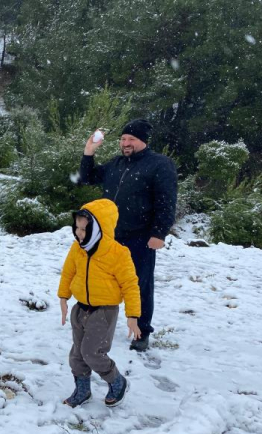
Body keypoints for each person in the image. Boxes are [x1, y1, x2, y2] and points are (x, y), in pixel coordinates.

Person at [79, 119, 177, 351]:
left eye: (131, 139)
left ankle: (141, 332)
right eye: (123, 139)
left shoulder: (159, 164)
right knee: (99, 280)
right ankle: (95, 322)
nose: (126, 143)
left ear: (143, 141)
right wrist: (88, 153)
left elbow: (166, 201)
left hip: (140, 236)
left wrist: (159, 233)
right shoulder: (116, 164)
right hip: (109, 236)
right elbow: (87, 177)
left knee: (139, 284)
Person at [58, 199, 142, 408]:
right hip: (80, 308)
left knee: (92, 353)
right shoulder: (78, 249)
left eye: (84, 229)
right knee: (77, 354)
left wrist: (133, 316)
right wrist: (63, 297)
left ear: (99, 229)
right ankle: (83, 390)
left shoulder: (118, 254)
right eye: (76, 228)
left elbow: (130, 285)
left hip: (104, 311)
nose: (78, 233)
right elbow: (69, 272)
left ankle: (117, 381)